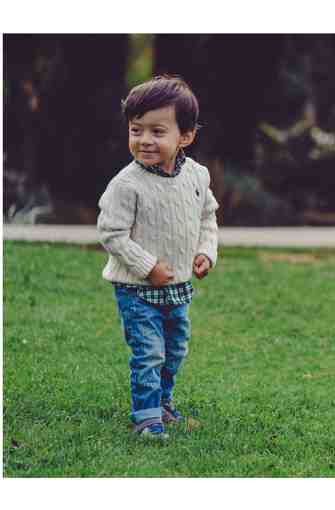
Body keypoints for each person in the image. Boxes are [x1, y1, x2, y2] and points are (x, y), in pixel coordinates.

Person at [97, 75, 219, 440]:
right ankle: (147, 418)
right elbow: (112, 233)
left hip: (178, 286)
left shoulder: (197, 176)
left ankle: (164, 404)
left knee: (174, 349)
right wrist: (147, 267)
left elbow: (207, 217)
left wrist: (205, 251)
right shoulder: (126, 184)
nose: (145, 140)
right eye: (136, 130)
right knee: (149, 352)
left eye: (157, 131)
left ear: (186, 136)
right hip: (136, 289)